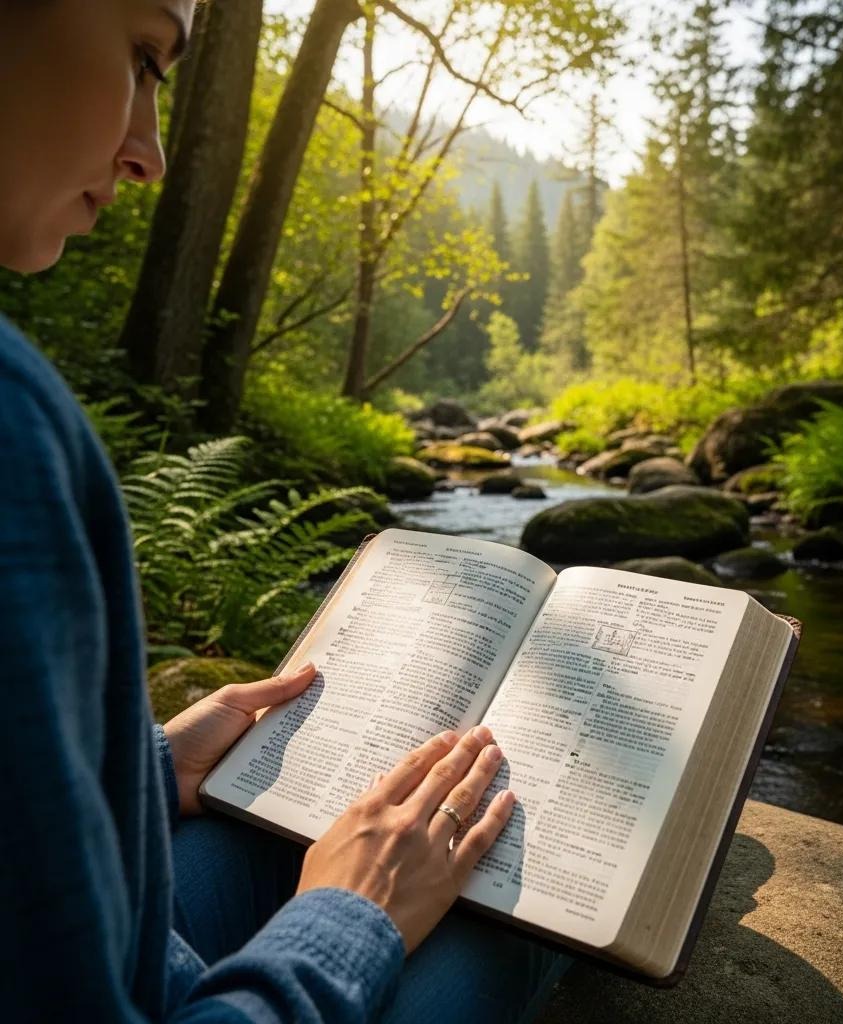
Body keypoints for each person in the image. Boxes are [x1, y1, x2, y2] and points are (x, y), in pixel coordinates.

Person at [0, 1, 570, 1020]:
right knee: (505, 899)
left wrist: (146, 762)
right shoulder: (12, 426)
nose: (150, 157)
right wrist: (353, 918)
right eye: (142, 57)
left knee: (248, 831)